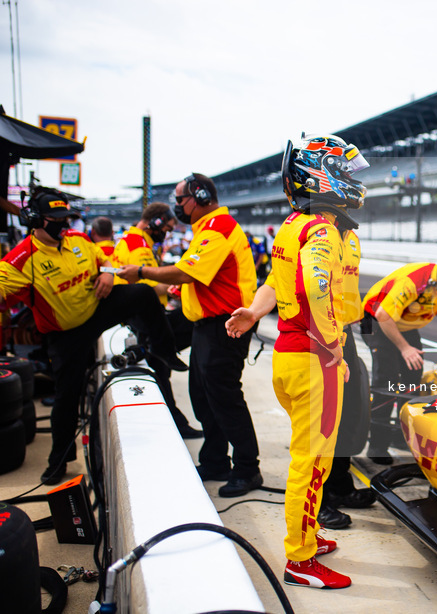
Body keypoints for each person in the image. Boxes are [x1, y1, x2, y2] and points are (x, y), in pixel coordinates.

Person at [225, 133, 370, 589]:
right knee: (312, 463)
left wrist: (253, 311)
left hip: (289, 359)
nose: (351, 179)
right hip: (315, 359)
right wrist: (334, 349)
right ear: (321, 174)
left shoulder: (294, 225)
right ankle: (299, 560)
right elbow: (317, 286)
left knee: (309, 458)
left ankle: (307, 534)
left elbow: (275, 280)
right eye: (344, 170)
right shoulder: (322, 229)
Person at [0, 187, 187, 484]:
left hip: (96, 308)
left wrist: (107, 273)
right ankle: (58, 461)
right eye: (55, 218)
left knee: (142, 293)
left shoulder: (78, 239)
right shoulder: (20, 259)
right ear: (36, 219)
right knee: (66, 397)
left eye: (65, 218)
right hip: (66, 335)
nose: (63, 224)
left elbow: (104, 257)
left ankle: (164, 350)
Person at [117, 173, 260, 498]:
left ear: (199, 197)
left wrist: (142, 272)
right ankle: (215, 461)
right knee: (203, 396)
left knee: (224, 399)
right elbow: (196, 276)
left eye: (180, 200)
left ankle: (248, 469)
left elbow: (187, 270)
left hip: (226, 325)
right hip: (207, 325)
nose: (177, 207)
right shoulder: (205, 230)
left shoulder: (218, 228)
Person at [360, 253, 437, 465]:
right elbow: (383, 315)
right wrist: (404, 348)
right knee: (388, 379)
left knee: (413, 376)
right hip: (376, 320)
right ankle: (377, 445)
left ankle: (400, 435)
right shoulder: (413, 282)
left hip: (404, 324)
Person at [111, 202, 201, 439]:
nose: (168, 233)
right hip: (144, 317)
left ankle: (175, 422)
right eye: (167, 228)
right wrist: (177, 282)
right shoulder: (139, 246)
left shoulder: (131, 239)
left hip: (137, 315)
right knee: (161, 367)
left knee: (161, 369)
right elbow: (150, 286)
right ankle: (174, 424)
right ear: (157, 221)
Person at [319, 226, 376, 528]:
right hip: (320, 332)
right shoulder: (314, 231)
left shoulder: (350, 236)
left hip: (344, 331)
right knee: (325, 419)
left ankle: (340, 486)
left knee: (350, 413)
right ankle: (319, 499)